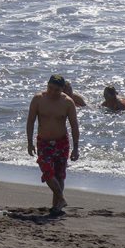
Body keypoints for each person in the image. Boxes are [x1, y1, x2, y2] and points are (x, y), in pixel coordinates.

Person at [26, 74, 81, 215]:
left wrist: (76, 148)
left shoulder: (68, 102)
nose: (52, 92)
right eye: (50, 88)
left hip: (61, 142)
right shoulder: (38, 99)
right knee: (47, 171)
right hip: (43, 142)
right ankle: (62, 198)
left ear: (62, 89)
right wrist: (29, 142)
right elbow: (31, 121)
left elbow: (74, 126)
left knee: (59, 175)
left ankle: (56, 207)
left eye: (56, 90)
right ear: (47, 85)